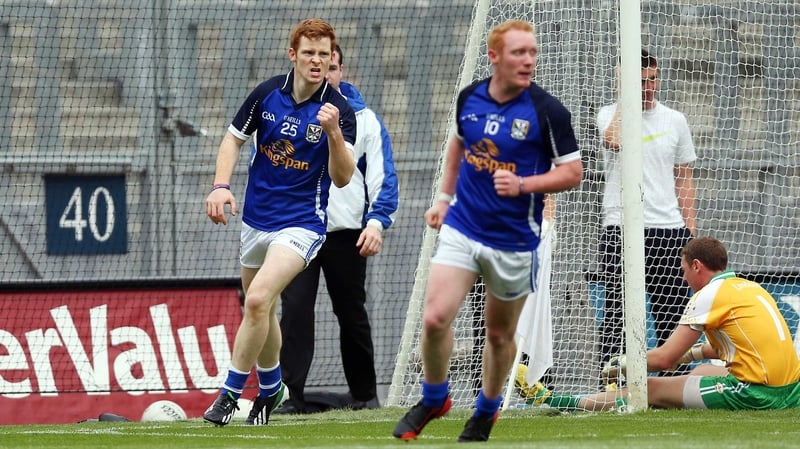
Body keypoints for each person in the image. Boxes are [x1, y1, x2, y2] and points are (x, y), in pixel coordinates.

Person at [392, 20, 583, 442]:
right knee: (435, 317)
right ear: (494, 57)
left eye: (532, 52)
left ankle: (486, 409)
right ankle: (435, 396)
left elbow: (573, 172)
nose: (528, 60)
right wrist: (444, 198)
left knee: (498, 336)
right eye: (519, 53)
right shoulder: (470, 97)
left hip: (514, 239)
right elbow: (459, 145)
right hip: (464, 225)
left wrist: (525, 185)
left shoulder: (548, 111)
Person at [202, 18, 356, 427]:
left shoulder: (339, 110)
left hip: (302, 223)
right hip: (255, 219)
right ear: (294, 54)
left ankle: (231, 394)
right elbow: (233, 138)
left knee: (256, 300)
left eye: (324, 55)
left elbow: (342, 178)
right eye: (309, 53)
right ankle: (273, 387)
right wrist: (221, 185)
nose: (317, 61)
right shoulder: (267, 93)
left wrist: (334, 134)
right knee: (261, 307)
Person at [524, 236, 800, 411]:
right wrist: (690, 356)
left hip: (758, 395)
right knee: (702, 370)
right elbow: (735, 349)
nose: (682, 279)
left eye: (683, 271)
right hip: (791, 389)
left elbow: (665, 359)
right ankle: (671, 398)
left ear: (696, 266)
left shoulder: (708, 296)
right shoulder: (750, 288)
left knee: (649, 388)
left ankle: (556, 401)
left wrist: (621, 364)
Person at [276, 44, 399, 413]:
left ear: (341, 71)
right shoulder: (282, 113)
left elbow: (383, 176)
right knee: (294, 310)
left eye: (331, 66)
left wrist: (376, 223)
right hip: (297, 230)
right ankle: (287, 396)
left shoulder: (365, 120)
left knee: (351, 312)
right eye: (316, 64)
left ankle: (365, 395)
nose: (323, 72)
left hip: (346, 233)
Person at [596, 48, 698, 373]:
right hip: (621, 227)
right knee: (618, 312)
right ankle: (613, 384)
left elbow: (683, 176)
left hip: (668, 230)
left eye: (652, 79)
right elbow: (613, 141)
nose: (648, 87)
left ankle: (675, 384)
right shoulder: (608, 114)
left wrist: (690, 230)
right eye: (640, 81)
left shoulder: (675, 120)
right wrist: (627, 101)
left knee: (674, 314)